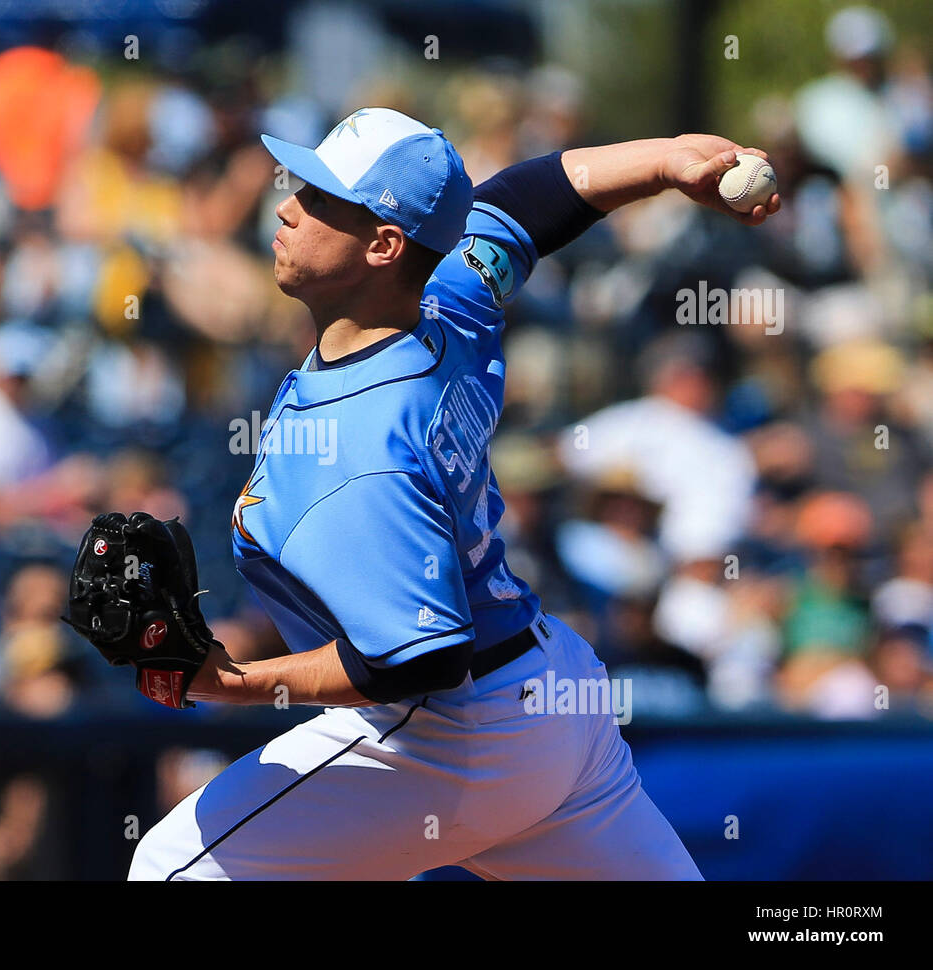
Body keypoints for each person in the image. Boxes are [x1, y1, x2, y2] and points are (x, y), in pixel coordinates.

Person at [120, 107, 778, 880]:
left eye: (322, 199)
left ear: (384, 245)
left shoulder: (365, 450)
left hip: (450, 732)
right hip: (547, 700)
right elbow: (529, 203)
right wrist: (665, 157)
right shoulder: (446, 301)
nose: (288, 208)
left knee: (175, 869)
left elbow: (419, 660)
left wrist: (230, 684)